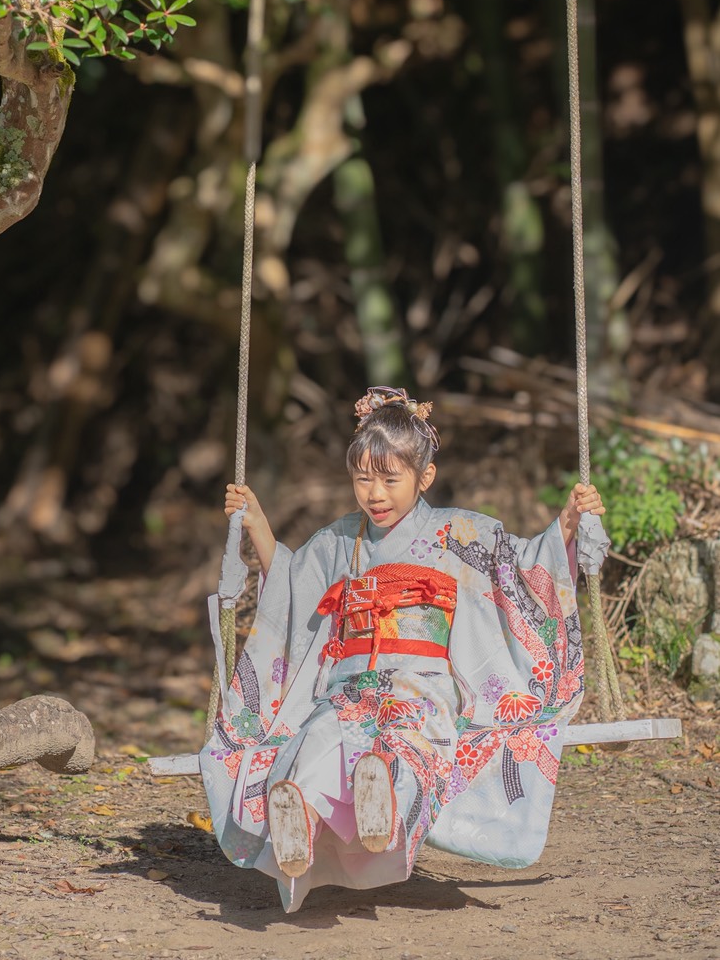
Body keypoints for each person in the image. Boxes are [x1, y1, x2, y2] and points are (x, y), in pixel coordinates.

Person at [199, 386, 605, 913]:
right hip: (346, 688)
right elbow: (291, 592)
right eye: (363, 479)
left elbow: (525, 574)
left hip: (421, 686)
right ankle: (296, 812)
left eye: (390, 479)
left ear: (424, 477)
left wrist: (569, 524)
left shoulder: (458, 531)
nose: (375, 494)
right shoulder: (339, 541)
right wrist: (256, 523)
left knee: (405, 744)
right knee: (318, 736)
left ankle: (382, 802)